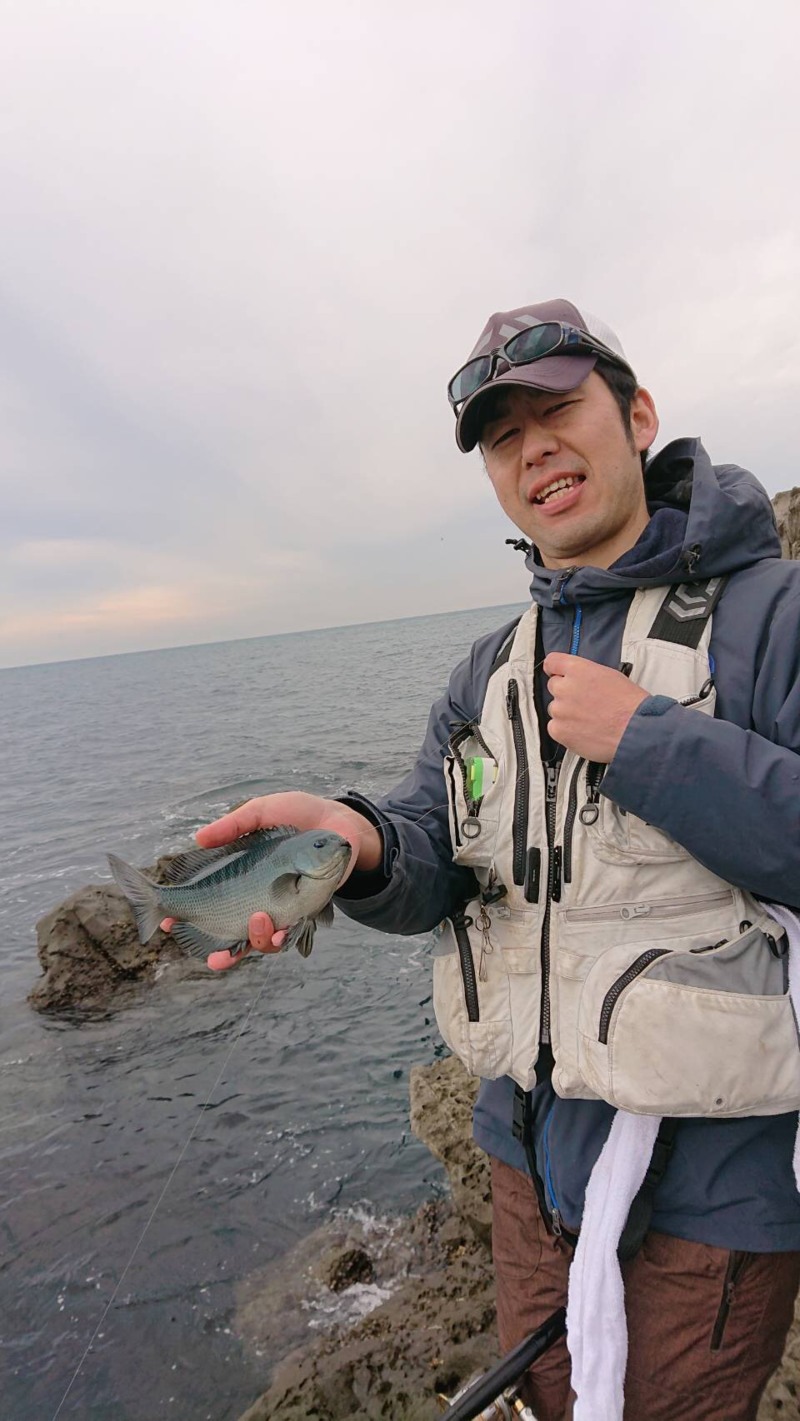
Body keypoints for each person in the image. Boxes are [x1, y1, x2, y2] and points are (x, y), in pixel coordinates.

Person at [177, 298, 800, 1420]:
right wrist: (363, 845)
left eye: (557, 409)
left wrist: (649, 743)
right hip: (524, 1171)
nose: (531, 449)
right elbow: (434, 856)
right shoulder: (484, 672)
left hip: (711, 1195)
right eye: (501, 436)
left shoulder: (771, 615)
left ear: (637, 414)